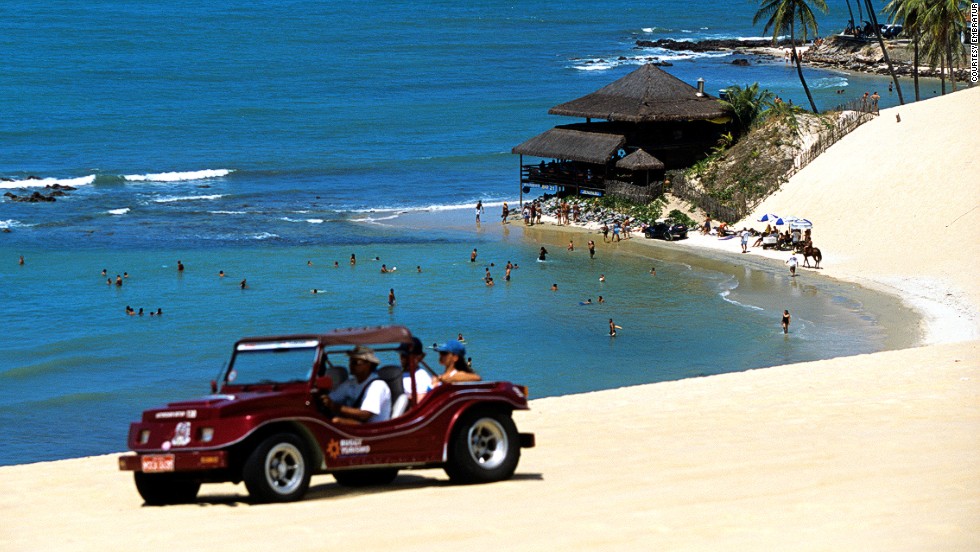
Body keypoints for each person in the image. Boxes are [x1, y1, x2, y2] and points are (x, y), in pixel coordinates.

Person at [320, 346, 391, 424]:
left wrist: (334, 406)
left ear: (368, 364)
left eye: (356, 362)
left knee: (336, 421)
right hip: (358, 425)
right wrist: (323, 399)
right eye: (351, 361)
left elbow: (365, 415)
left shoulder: (377, 386)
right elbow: (332, 398)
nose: (351, 365)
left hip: (372, 428)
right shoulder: (350, 383)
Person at [398, 337, 433, 403]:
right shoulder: (397, 372)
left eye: (405, 356)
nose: (402, 359)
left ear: (418, 357)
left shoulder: (421, 376)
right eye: (401, 355)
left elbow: (419, 402)